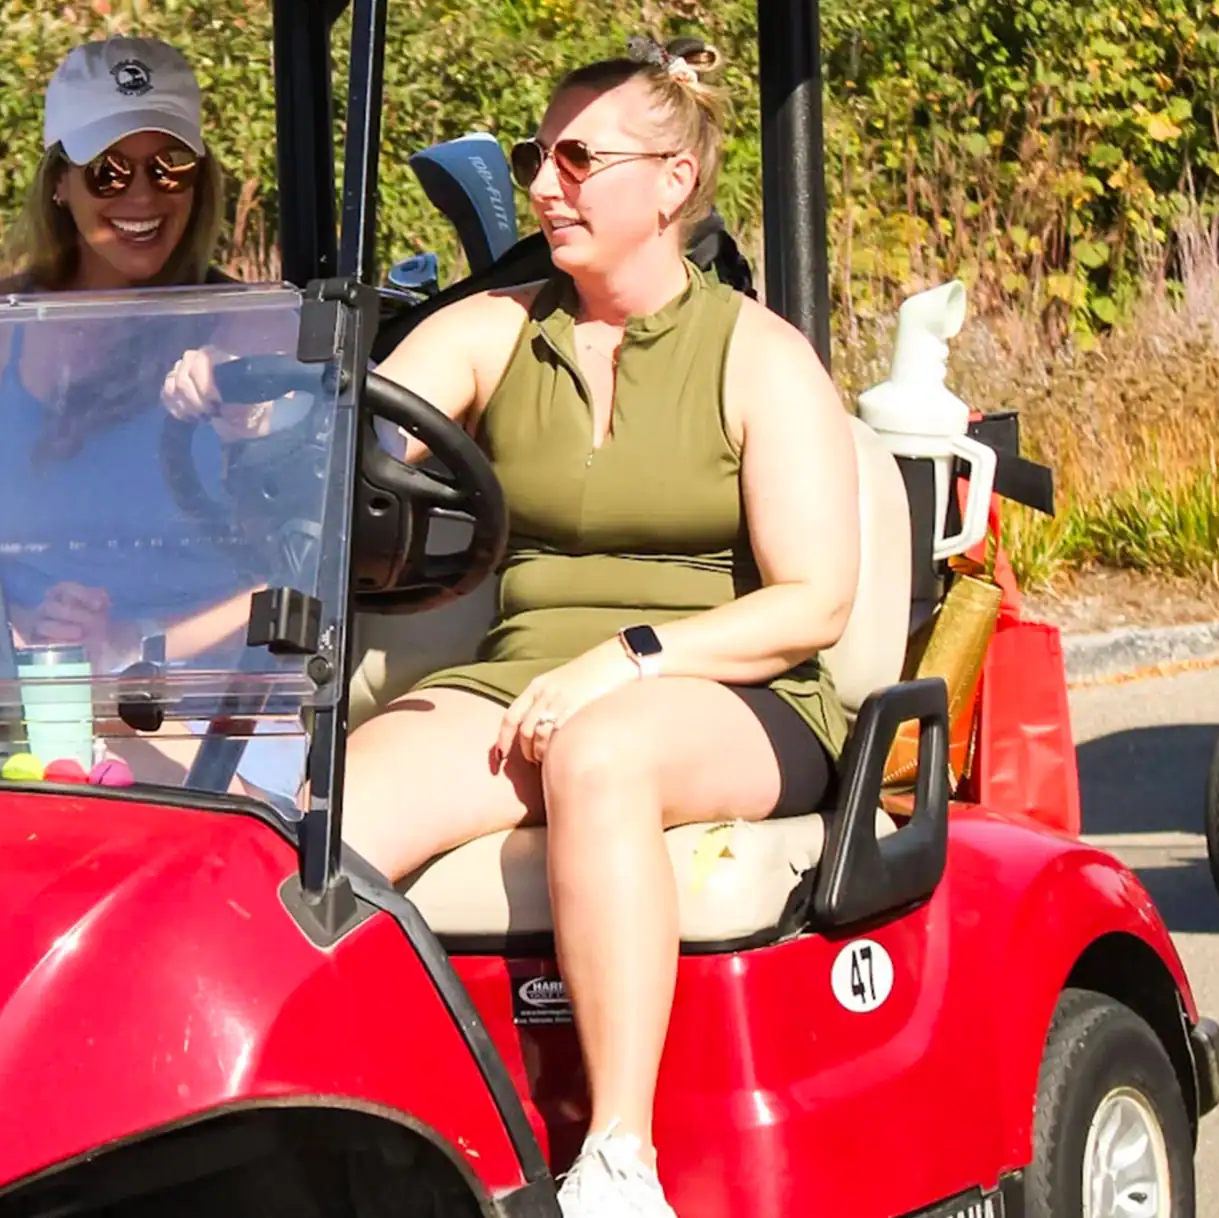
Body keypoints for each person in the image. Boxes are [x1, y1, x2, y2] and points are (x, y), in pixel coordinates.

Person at [340, 36, 860, 1218]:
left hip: (735, 690)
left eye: (576, 158)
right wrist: (244, 412)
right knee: (323, 813)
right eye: (538, 156)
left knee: (601, 751)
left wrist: (623, 663)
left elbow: (813, 604)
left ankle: (619, 1162)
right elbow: (351, 452)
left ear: (672, 180)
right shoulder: (495, 331)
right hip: (520, 680)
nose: (541, 186)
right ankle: (329, 1123)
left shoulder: (759, 360)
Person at [0, 36, 300, 789]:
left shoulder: (260, 330)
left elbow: (305, 579)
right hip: (33, 690)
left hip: (221, 701)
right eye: (109, 172)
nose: (142, 197)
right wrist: (25, 646)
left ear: (201, 178)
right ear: (60, 183)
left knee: (120, 777)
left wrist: (132, 645)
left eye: (168, 167)